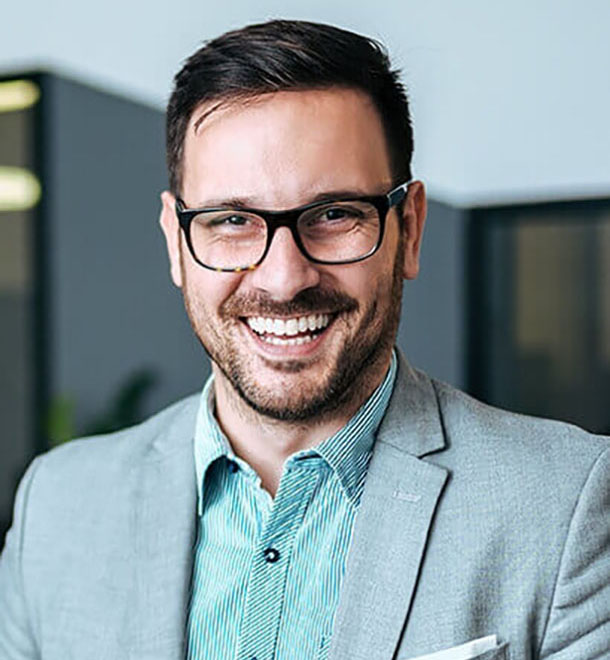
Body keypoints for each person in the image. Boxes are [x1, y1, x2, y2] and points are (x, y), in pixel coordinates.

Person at [0, 19, 608, 660]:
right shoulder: (58, 508)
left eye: (335, 214)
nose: (285, 279)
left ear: (410, 229)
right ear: (176, 243)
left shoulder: (566, 505)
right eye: (231, 220)